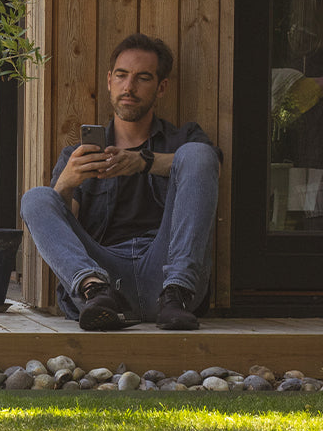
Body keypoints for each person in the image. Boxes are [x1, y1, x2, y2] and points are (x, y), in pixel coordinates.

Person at [20, 33, 221, 331]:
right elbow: (61, 229)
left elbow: (211, 165)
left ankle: (176, 294)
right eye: (122, 75)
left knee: (198, 154)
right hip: (104, 280)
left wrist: (143, 162)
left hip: (167, 275)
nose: (129, 87)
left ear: (161, 87)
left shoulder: (184, 139)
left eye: (143, 78)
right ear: (109, 81)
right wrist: (66, 183)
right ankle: (93, 289)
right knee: (36, 197)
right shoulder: (78, 155)